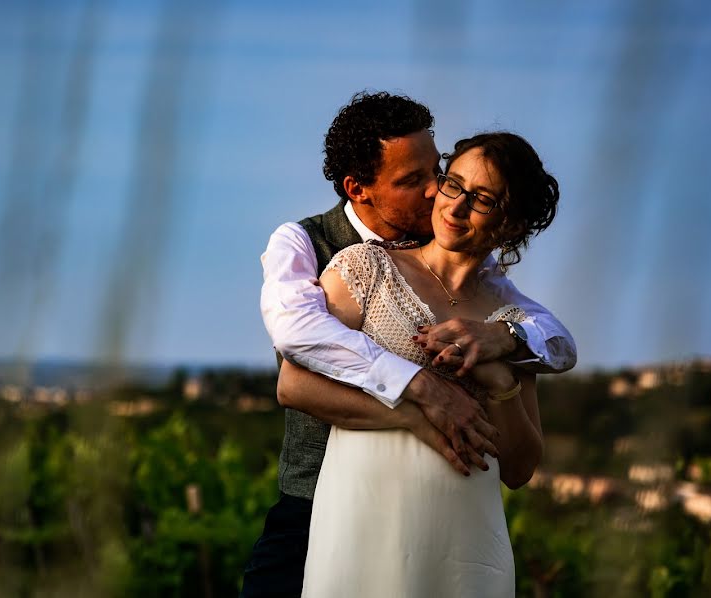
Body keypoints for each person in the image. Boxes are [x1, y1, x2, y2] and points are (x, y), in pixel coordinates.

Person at [239, 92, 575, 598]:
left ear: (511, 225)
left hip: (462, 533)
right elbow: (294, 360)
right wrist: (423, 403)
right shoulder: (343, 260)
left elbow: (522, 461)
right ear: (359, 189)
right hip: (330, 504)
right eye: (446, 184)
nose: (439, 198)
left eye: (436, 176)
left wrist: (502, 368)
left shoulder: (508, 316)